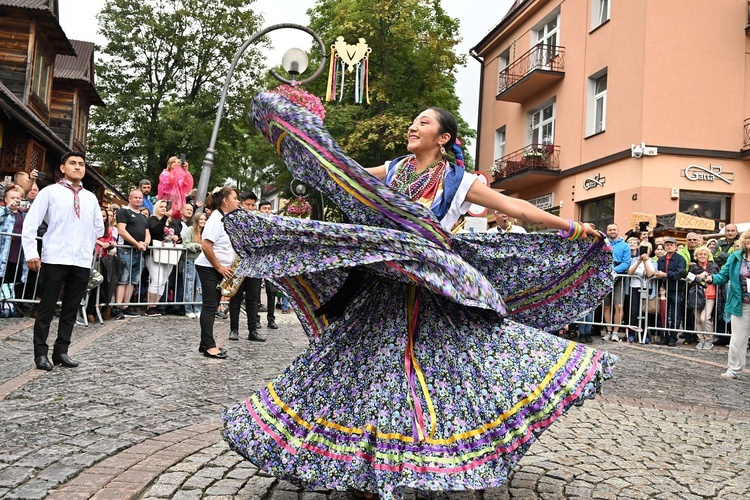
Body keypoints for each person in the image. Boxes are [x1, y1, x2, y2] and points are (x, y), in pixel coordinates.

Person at [220, 94, 616, 498]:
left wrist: (571, 226)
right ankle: (362, 465)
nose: (413, 126)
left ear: (443, 137)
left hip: (432, 295)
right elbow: (343, 173)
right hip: (382, 292)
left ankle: (399, 463)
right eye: (414, 120)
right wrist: (304, 132)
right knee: (359, 370)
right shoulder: (392, 170)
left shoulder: (459, 182)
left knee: (444, 373)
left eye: (423, 122)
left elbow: (515, 207)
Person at [22, 152, 103, 370]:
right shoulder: (50, 192)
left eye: (81, 164)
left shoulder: (90, 197)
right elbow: (31, 223)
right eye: (73, 163)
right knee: (47, 307)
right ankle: (40, 353)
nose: (78, 167)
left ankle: (62, 351)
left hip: (81, 259)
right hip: (56, 255)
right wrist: (32, 252)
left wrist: (85, 242)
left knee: (70, 308)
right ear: (63, 168)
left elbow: (99, 228)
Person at [194, 187, 239, 359]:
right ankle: (209, 346)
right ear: (225, 201)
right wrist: (219, 267)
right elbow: (206, 246)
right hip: (209, 267)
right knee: (210, 306)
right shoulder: (216, 219)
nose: (237, 201)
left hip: (216, 267)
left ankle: (204, 342)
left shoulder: (225, 218)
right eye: (234, 198)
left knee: (212, 305)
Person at [706, 230, 750, 380]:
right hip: (741, 304)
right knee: (737, 339)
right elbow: (723, 276)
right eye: (748, 238)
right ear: (743, 241)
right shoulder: (735, 258)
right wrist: (710, 278)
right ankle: (734, 370)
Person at [228, 193, 265, 342]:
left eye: (252, 205)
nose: (250, 208)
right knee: (235, 297)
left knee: (253, 298)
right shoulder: (235, 220)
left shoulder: (258, 221)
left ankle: (252, 330)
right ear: (241, 204)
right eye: (247, 205)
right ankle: (234, 329)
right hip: (238, 263)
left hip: (254, 264)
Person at [113, 190, 150, 319]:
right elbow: (122, 231)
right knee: (123, 279)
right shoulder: (124, 212)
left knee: (133, 280)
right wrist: (136, 243)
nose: (138, 200)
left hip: (139, 251)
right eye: (135, 197)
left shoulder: (143, 216)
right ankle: (117, 307)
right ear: (129, 198)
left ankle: (125, 306)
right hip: (126, 249)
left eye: (140, 198)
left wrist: (145, 243)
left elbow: (147, 233)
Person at [145, 200, 179, 316]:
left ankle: (155, 305)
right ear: (156, 208)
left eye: (165, 207)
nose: (163, 208)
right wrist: (164, 218)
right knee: (156, 280)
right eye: (161, 206)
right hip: (154, 254)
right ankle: (150, 306)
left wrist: (176, 237)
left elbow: (178, 234)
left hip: (168, 254)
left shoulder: (170, 222)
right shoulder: (152, 219)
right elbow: (155, 230)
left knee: (163, 281)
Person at [0, 185, 28, 316]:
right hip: (3, 252)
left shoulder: (24, 215)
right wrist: (7, 209)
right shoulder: (2, 211)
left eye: (18, 198)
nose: (15, 200)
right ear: (5, 199)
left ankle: (8, 306)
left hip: (17, 253)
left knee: (11, 279)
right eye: (12, 198)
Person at [655, 237, 687, 347]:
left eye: (671, 244)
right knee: (662, 314)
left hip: (676, 290)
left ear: (676, 247)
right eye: (667, 244)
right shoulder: (660, 260)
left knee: (675, 315)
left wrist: (666, 275)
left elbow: (680, 274)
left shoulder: (680, 259)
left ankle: (673, 338)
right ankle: (664, 336)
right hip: (663, 290)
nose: (669, 246)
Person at [602, 223, 630, 341]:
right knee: (606, 306)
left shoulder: (625, 246)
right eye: (610, 229)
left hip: (619, 277)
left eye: (614, 229)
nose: (612, 231)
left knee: (619, 305)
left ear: (618, 231)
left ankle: (615, 332)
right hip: (605, 277)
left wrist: (613, 271)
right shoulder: (603, 244)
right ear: (607, 231)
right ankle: (608, 331)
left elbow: (626, 262)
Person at [689, 246, 720, 350]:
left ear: (708, 256)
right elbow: (689, 281)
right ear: (696, 256)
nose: (702, 256)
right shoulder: (693, 268)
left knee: (705, 318)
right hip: (696, 295)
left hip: (710, 295)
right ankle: (701, 339)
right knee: (698, 319)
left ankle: (709, 339)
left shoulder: (713, 266)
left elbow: (717, 278)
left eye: (704, 254)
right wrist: (699, 277)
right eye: (700, 254)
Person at [627, 241, 655, 343]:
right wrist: (638, 261)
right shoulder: (634, 260)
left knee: (645, 313)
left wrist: (646, 261)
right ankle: (631, 334)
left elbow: (650, 273)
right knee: (634, 312)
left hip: (647, 289)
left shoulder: (653, 261)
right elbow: (630, 272)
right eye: (643, 248)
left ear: (650, 250)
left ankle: (645, 335)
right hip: (635, 287)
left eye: (647, 248)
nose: (644, 250)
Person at [257, 200, 278, 329]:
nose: (267, 211)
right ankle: (255, 319)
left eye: (269, 208)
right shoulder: (255, 224)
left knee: (271, 291)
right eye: (264, 208)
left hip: (270, 262)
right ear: (259, 210)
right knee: (255, 294)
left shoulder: (274, 225)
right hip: (257, 262)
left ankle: (271, 318)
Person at [183, 212, 205, 319]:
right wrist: (197, 246)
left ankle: (198, 309)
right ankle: (188, 309)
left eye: (204, 219)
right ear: (196, 220)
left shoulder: (206, 232)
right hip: (190, 260)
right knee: (189, 285)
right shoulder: (190, 230)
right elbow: (186, 243)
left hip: (202, 261)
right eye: (201, 219)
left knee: (200, 286)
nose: (203, 221)